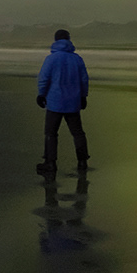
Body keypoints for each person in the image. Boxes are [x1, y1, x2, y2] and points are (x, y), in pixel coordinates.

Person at [36, 28, 89, 177]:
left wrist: (41, 94)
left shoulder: (51, 59)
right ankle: (82, 161)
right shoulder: (77, 59)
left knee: (51, 133)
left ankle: (50, 163)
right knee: (78, 133)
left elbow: (44, 78)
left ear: (55, 40)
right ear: (68, 40)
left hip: (55, 102)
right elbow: (84, 80)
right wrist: (83, 96)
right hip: (73, 102)